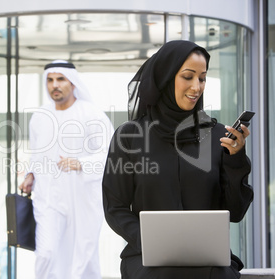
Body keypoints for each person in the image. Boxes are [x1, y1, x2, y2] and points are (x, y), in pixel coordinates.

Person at [102, 40, 254, 279]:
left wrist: (236, 160)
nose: (197, 87)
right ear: (165, 77)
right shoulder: (130, 136)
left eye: (202, 78)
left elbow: (235, 212)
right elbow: (115, 207)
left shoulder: (217, 136)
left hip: (209, 260)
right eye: (188, 76)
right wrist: (151, 241)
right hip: (147, 258)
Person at [20, 60, 113, 279]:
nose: (55, 85)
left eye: (60, 79)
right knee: (46, 254)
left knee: (82, 259)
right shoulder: (39, 117)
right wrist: (30, 174)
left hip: (82, 199)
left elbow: (110, 154)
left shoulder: (92, 114)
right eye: (50, 80)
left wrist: (82, 163)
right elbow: (37, 153)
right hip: (48, 199)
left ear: (73, 83)